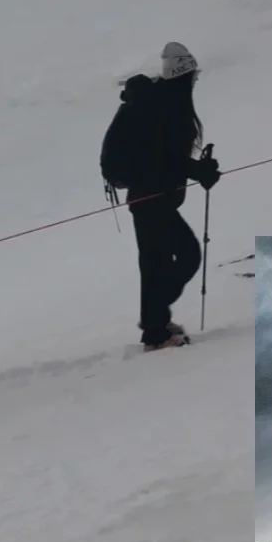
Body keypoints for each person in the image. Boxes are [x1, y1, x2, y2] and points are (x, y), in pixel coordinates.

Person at [103, 42, 221, 351]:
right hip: (151, 198)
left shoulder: (160, 104)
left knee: (160, 261)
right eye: (193, 75)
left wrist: (199, 170)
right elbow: (167, 158)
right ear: (184, 75)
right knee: (182, 257)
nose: (195, 81)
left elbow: (165, 157)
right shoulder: (167, 108)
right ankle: (155, 330)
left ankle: (155, 321)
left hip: (152, 197)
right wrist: (201, 171)